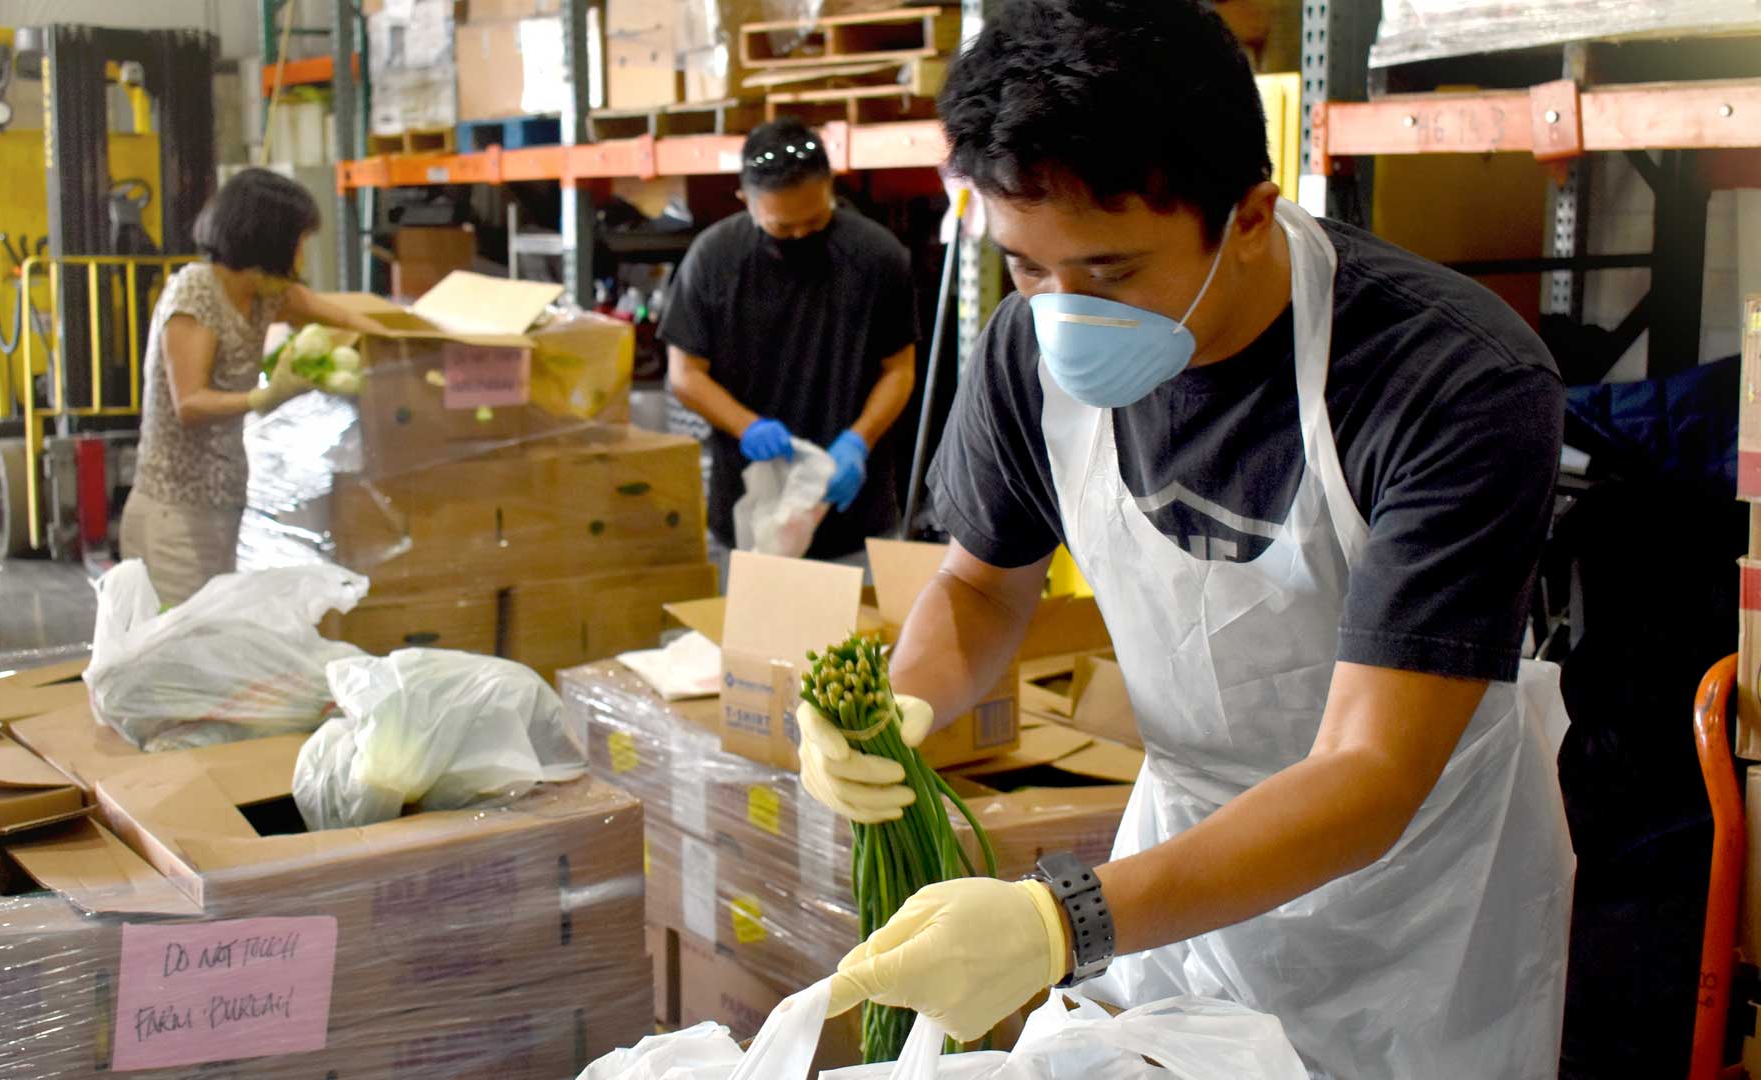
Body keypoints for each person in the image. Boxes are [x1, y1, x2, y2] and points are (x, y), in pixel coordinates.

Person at [800, 1, 1576, 1075]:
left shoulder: (1450, 382)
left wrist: (1057, 925)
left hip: (1416, 904)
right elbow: (983, 589)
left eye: (1111, 273)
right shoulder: (1026, 352)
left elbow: (1370, 771)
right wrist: (905, 706)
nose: (1061, 312)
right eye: (1027, 266)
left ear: (1251, 215)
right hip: (1181, 875)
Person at [661, 119, 919, 574]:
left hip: (856, 513)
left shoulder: (878, 257)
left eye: (815, 221)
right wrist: (747, 427)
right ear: (746, 199)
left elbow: (899, 369)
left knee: (859, 643)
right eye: (783, 227)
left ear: (831, 187)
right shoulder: (714, 259)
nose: (801, 235)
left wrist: (859, 440)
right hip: (751, 515)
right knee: (756, 643)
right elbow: (685, 374)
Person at [122, 168, 386, 606]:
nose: (303, 253)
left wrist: (407, 339)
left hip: (224, 502)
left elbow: (345, 317)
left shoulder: (268, 293)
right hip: (175, 511)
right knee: (179, 648)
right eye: (301, 240)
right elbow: (188, 402)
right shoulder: (196, 293)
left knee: (213, 638)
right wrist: (265, 397)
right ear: (271, 238)